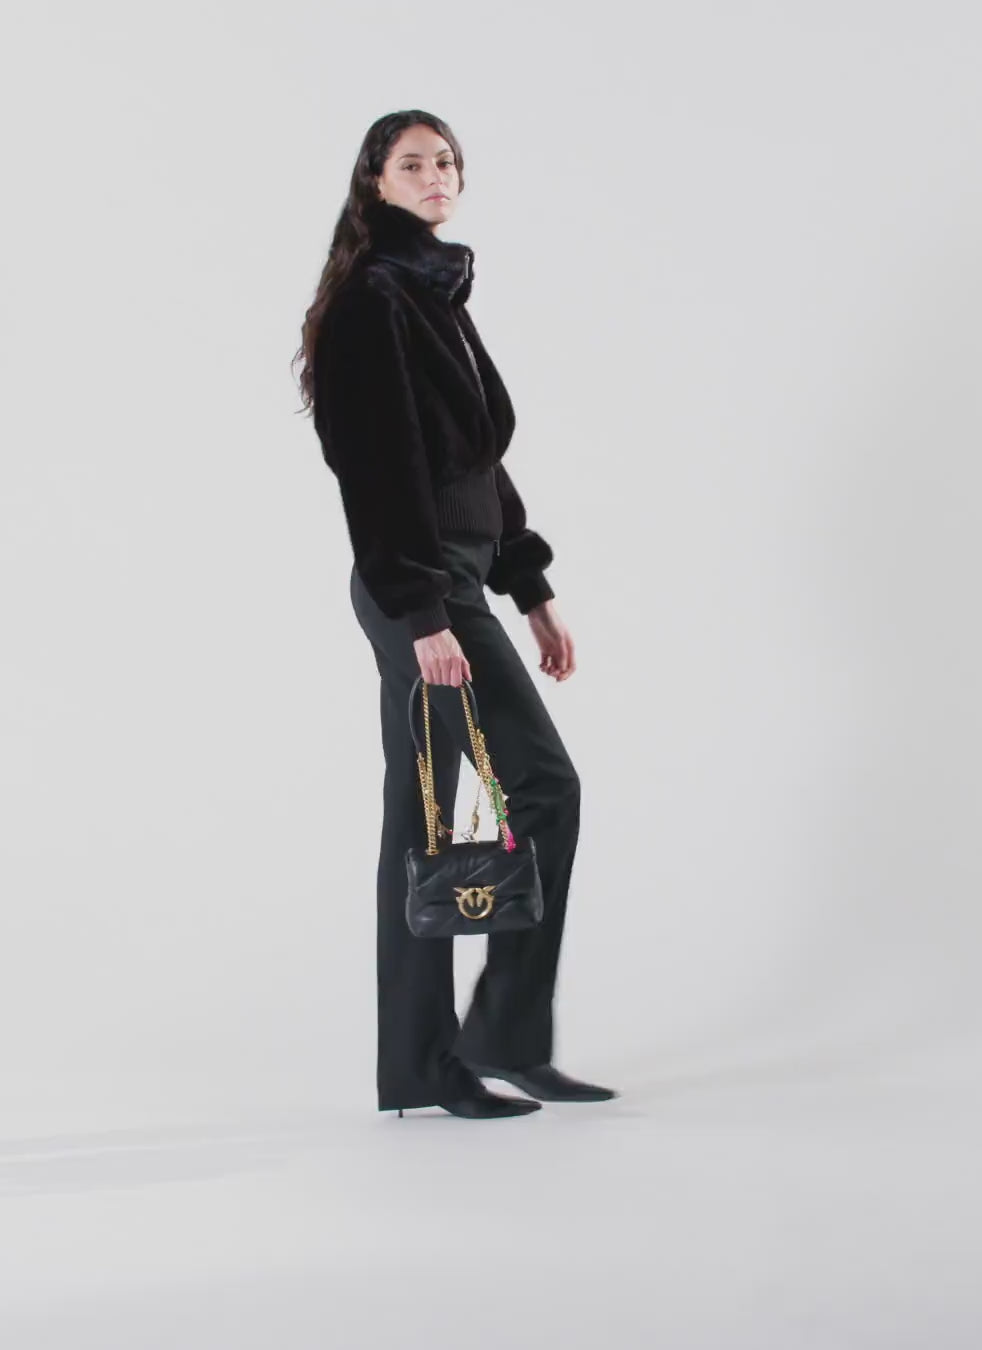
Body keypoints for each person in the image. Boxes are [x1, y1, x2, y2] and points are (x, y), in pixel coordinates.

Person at [293, 110, 618, 1120]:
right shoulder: (375, 298)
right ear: (375, 182)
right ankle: (486, 1040)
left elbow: (476, 461)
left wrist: (532, 588)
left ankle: (437, 1059)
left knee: (425, 816)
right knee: (541, 786)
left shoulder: (433, 291)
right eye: (413, 163)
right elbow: (376, 470)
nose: (437, 175)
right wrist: (422, 611)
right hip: (419, 584)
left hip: (457, 578)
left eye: (447, 162)